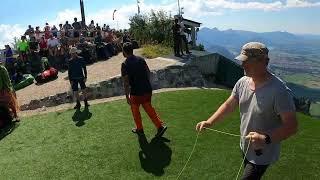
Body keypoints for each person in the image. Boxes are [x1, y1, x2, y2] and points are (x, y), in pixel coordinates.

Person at [196, 42, 298, 180]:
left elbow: (291, 126)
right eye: (242, 61)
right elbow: (229, 104)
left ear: (264, 62)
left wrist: (265, 138)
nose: (242, 65)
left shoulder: (279, 91)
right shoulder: (242, 82)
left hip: (263, 152)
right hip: (245, 145)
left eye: (247, 62)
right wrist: (209, 121)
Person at [121, 42, 167, 137]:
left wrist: (127, 96)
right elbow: (148, 72)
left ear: (124, 51)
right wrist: (146, 83)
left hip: (136, 92)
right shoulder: (141, 59)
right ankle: (159, 126)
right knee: (149, 108)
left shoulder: (124, 64)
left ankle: (140, 129)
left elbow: (126, 83)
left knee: (135, 111)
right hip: (147, 89)